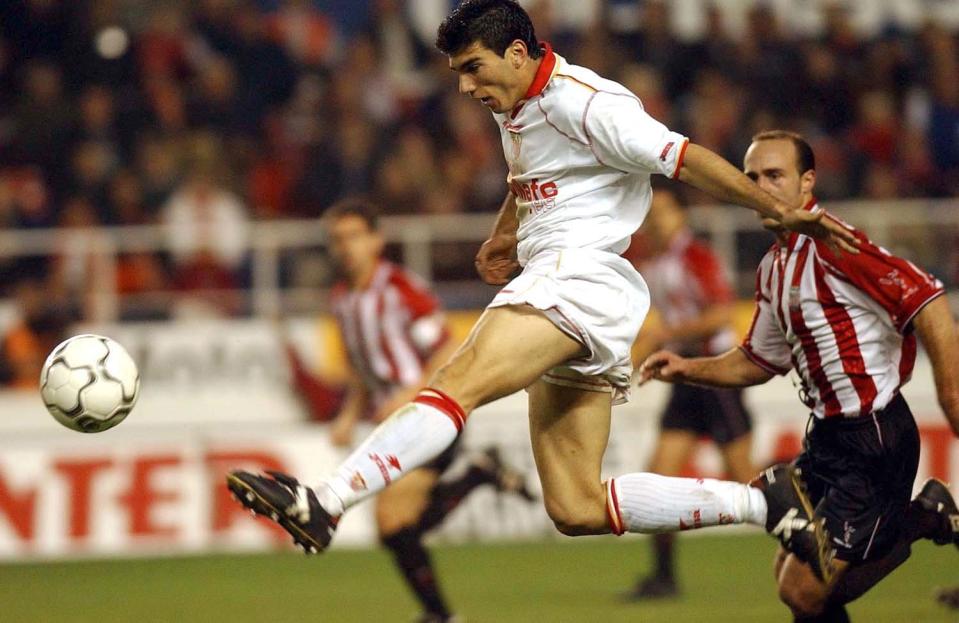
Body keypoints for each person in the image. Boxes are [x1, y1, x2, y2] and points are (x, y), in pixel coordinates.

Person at [227, 0, 858, 582]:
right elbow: (528, 175)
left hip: (576, 278)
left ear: (519, 54)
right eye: (457, 73)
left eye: (473, 68)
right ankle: (761, 500)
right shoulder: (516, 108)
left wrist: (773, 209)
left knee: (455, 383)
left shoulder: (587, 102)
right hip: (579, 289)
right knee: (576, 506)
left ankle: (327, 501)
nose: (465, 86)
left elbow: (684, 157)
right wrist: (507, 235)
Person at [638, 130, 959, 621]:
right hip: (828, 438)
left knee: (805, 589)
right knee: (792, 574)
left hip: (872, 435)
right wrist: (686, 369)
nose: (760, 187)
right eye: (751, 177)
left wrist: (951, 394)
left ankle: (922, 518)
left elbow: (929, 299)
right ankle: (922, 517)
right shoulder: (774, 266)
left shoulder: (836, 244)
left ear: (807, 182)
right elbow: (758, 361)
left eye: (774, 175)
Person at [286, 198, 534, 623]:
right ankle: (477, 476)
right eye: (338, 239)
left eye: (354, 236)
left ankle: (440, 613)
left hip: (429, 418)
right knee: (397, 529)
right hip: (394, 425)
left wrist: (411, 393)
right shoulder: (344, 300)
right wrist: (348, 415)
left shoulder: (399, 290)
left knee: (392, 523)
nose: (346, 247)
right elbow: (364, 371)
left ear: (376, 240)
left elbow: (445, 345)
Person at [622, 185, 755, 600]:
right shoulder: (653, 260)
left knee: (746, 478)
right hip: (684, 378)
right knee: (657, 472)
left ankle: (812, 546)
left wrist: (666, 335)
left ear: (680, 217)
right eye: (651, 213)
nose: (656, 220)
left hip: (714, 374)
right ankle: (664, 578)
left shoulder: (696, 256)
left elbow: (722, 313)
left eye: (663, 212)